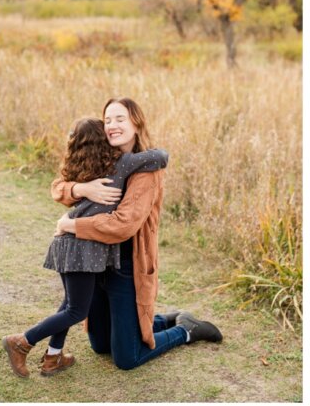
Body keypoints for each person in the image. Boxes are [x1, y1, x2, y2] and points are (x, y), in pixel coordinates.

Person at [49, 98, 222, 371]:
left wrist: (71, 225)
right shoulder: (101, 156)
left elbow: (123, 225)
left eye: (120, 119)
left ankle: (186, 330)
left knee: (126, 358)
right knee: (100, 346)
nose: (112, 126)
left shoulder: (146, 170)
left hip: (126, 266)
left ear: (136, 124)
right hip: (95, 261)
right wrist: (83, 189)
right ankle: (159, 320)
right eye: (107, 120)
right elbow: (58, 186)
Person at [1, 118, 168, 377]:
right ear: (102, 140)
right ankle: (22, 342)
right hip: (83, 248)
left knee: (70, 304)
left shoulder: (79, 168)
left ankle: (53, 358)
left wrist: (80, 187)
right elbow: (158, 157)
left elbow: (59, 184)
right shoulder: (120, 165)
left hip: (66, 244)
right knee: (76, 310)